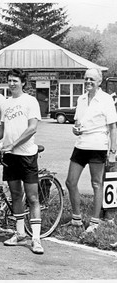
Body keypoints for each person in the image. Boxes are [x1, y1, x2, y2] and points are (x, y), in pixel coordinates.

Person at [0, 68, 44, 255]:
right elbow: (2, 129)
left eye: (15, 81)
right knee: (16, 195)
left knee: (33, 197)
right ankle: (20, 234)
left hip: (26, 155)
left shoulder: (30, 101)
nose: (11, 84)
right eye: (9, 81)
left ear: (23, 83)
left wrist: (13, 144)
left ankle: (35, 238)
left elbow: (32, 128)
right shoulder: (6, 103)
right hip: (10, 156)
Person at [64, 68, 117, 233]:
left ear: (99, 81)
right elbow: (78, 123)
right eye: (86, 79)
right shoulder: (81, 98)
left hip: (98, 146)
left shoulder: (106, 99)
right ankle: (76, 219)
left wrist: (113, 150)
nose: (88, 82)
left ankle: (94, 222)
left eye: (92, 79)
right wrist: (75, 129)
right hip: (81, 144)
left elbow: (112, 127)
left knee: (96, 183)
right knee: (70, 182)